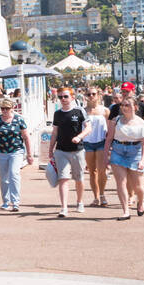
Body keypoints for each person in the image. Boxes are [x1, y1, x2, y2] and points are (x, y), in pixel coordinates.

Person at [47, 87, 91, 217]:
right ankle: (64, 207)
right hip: (61, 150)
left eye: (65, 96)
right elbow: (55, 132)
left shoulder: (79, 111)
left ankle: (79, 201)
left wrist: (79, 136)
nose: (63, 99)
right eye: (60, 97)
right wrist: (51, 149)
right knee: (63, 178)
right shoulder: (57, 114)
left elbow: (88, 128)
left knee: (78, 178)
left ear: (72, 97)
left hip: (77, 150)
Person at [105, 97, 144, 219]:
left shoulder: (142, 123)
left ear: (135, 107)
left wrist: (143, 160)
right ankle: (126, 211)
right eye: (123, 105)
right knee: (121, 183)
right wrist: (105, 156)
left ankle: (141, 201)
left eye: (128, 105)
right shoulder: (116, 120)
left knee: (138, 186)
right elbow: (109, 139)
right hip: (118, 151)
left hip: (135, 152)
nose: (124, 107)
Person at [0, 98, 33, 212]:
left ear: (12, 108)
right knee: (3, 178)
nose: (5, 111)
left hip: (16, 151)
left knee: (14, 174)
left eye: (7, 108)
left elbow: (26, 137)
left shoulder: (19, 120)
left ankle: (15, 202)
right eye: (3, 108)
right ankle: (6, 201)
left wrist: (29, 154)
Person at [81, 93, 110, 207]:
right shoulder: (82, 111)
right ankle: (96, 197)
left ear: (98, 95)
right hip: (87, 142)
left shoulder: (105, 110)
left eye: (94, 94)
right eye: (89, 94)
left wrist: (109, 143)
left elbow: (110, 127)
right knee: (92, 171)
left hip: (101, 141)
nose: (91, 96)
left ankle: (102, 194)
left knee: (102, 170)